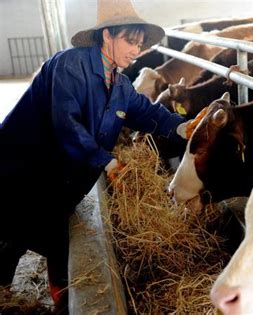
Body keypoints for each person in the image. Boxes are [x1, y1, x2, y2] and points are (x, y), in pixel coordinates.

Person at [0, 0, 186, 312]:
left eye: (140, 44)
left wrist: (183, 129)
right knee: (26, 235)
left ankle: (44, 295)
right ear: (107, 36)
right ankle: (30, 296)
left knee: (46, 235)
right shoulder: (70, 65)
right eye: (130, 41)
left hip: (58, 178)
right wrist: (106, 161)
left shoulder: (120, 83)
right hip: (22, 169)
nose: (136, 51)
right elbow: (67, 125)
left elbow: (146, 112)